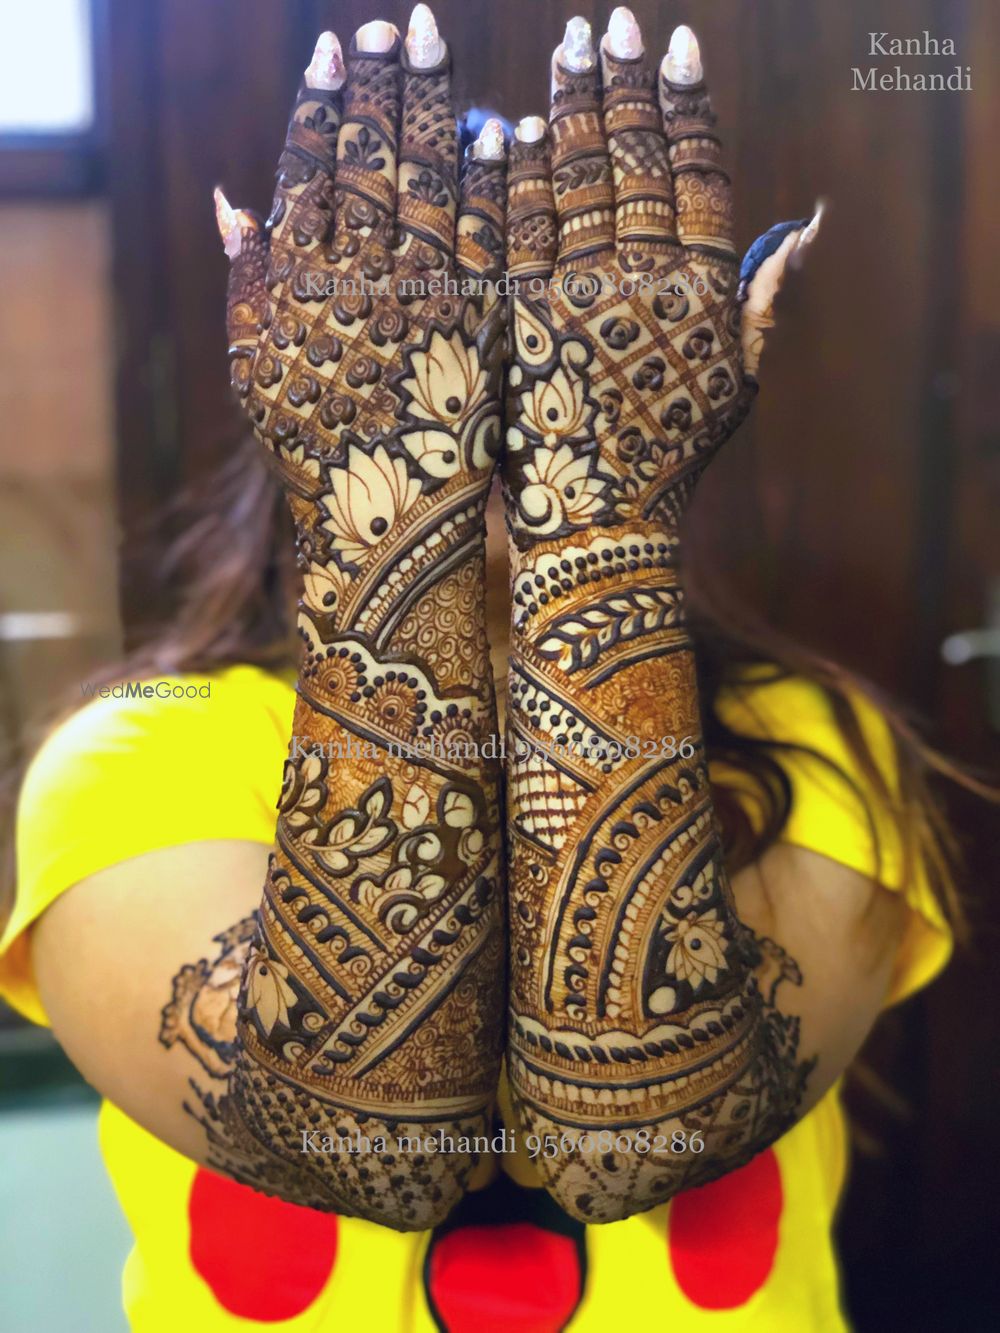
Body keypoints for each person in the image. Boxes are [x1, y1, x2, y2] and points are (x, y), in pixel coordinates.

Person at [0, 7, 970, 1330]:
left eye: (546, 340)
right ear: (312, 384)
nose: (499, 402)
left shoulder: (822, 748)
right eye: (440, 357)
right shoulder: (140, 759)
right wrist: (387, 502)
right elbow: (366, 1137)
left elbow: (625, 1137)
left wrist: (599, 496)